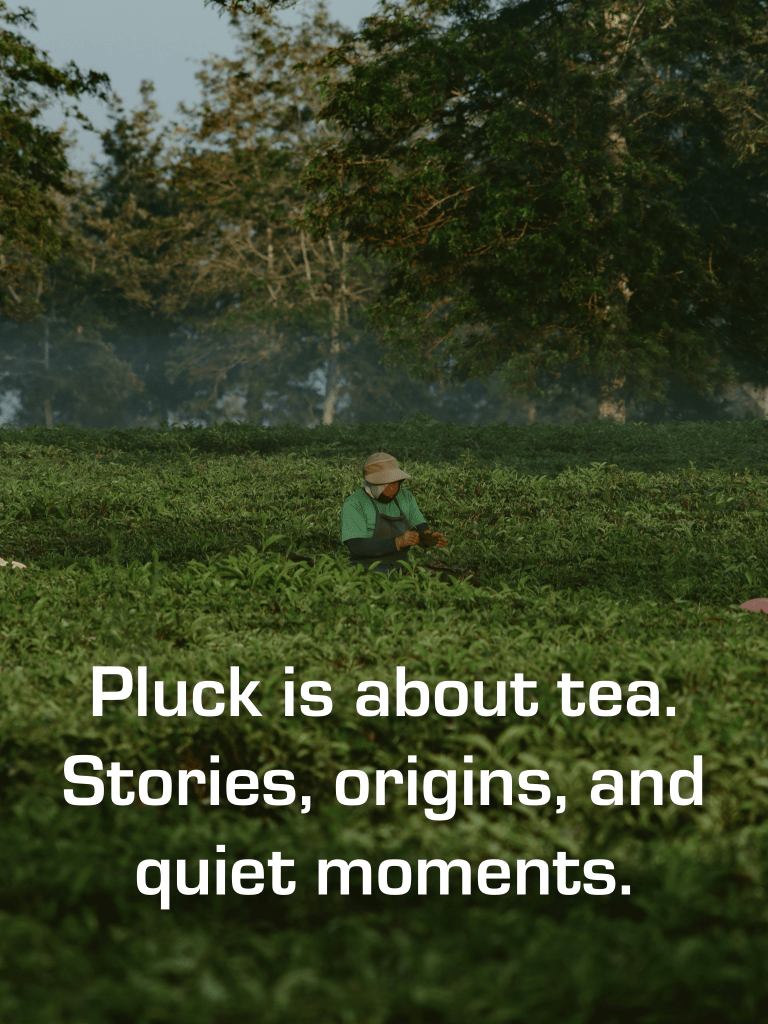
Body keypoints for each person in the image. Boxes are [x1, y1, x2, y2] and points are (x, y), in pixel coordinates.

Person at [340, 452, 447, 572]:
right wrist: (397, 542)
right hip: (365, 569)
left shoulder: (405, 497)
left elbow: (417, 524)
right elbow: (356, 546)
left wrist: (424, 535)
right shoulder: (354, 503)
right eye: (388, 484)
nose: (394, 489)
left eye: (397, 484)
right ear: (371, 484)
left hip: (400, 567)